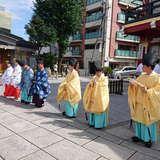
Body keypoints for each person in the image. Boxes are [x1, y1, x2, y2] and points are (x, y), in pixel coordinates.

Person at [128, 53, 160, 148]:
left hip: (150, 105)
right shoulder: (142, 76)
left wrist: (148, 91)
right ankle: (139, 136)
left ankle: (148, 138)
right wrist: (132, 86)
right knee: (139, 120)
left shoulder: (157, 78)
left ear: (150, 67)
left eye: (144, 66)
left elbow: (158, 91)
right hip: (139, 103)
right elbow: (137, 84)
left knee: (148, 121)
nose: (142, 68)